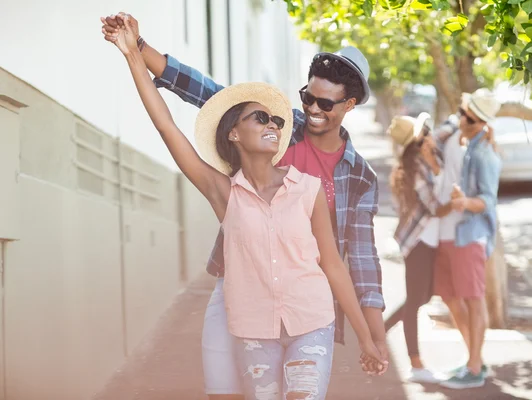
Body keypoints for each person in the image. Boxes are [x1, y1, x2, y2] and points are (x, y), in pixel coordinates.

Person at [101, 13, 389, 399]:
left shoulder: (346, 179)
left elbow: (356, 261)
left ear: (348, 104)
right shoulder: (264, 150)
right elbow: (199, 100)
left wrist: (371, 336)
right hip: (244, 290)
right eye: (307, 97)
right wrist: (137, 51)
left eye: (325, 102)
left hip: (307, 305)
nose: (312, 109)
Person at [434, 89, 502, 389]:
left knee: (474, 301)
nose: (460, 118)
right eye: (461, 113)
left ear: (479, 124)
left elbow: (488, 199)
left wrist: (465, 202)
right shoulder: (470, 143)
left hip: (470, 235)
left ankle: (474, 367)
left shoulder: (484, 154)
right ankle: (475, 360)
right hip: (453, 234)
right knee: (450, 295)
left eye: (466, 117)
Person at [386, 113, 459, 383]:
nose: (430, 132)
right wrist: (460, 202)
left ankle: (378, 332)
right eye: (424, 131)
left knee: (424, 296)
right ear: (416, 141)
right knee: (416, 300)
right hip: (418, 241)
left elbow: (448, 127)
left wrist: (458, 119)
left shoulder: (429, 147)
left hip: (429, 239)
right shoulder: (415, 167)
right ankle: (416, 365)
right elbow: (435, 208)